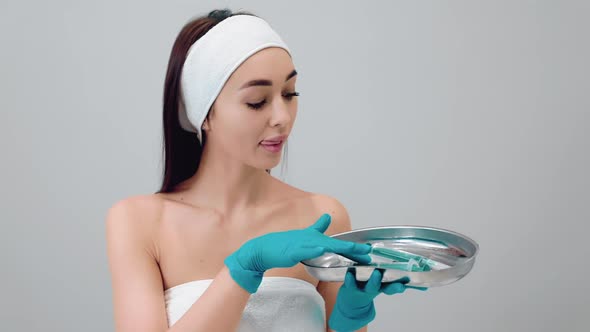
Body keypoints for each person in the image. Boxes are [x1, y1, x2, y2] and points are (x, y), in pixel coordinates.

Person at [106, 8, 424, 332]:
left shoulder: (323, 217)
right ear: (205, 114)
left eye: (290, 94)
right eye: (257, 101)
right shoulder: (139, 223)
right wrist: (243, 269)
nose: (282, 117)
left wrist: (349, 320)